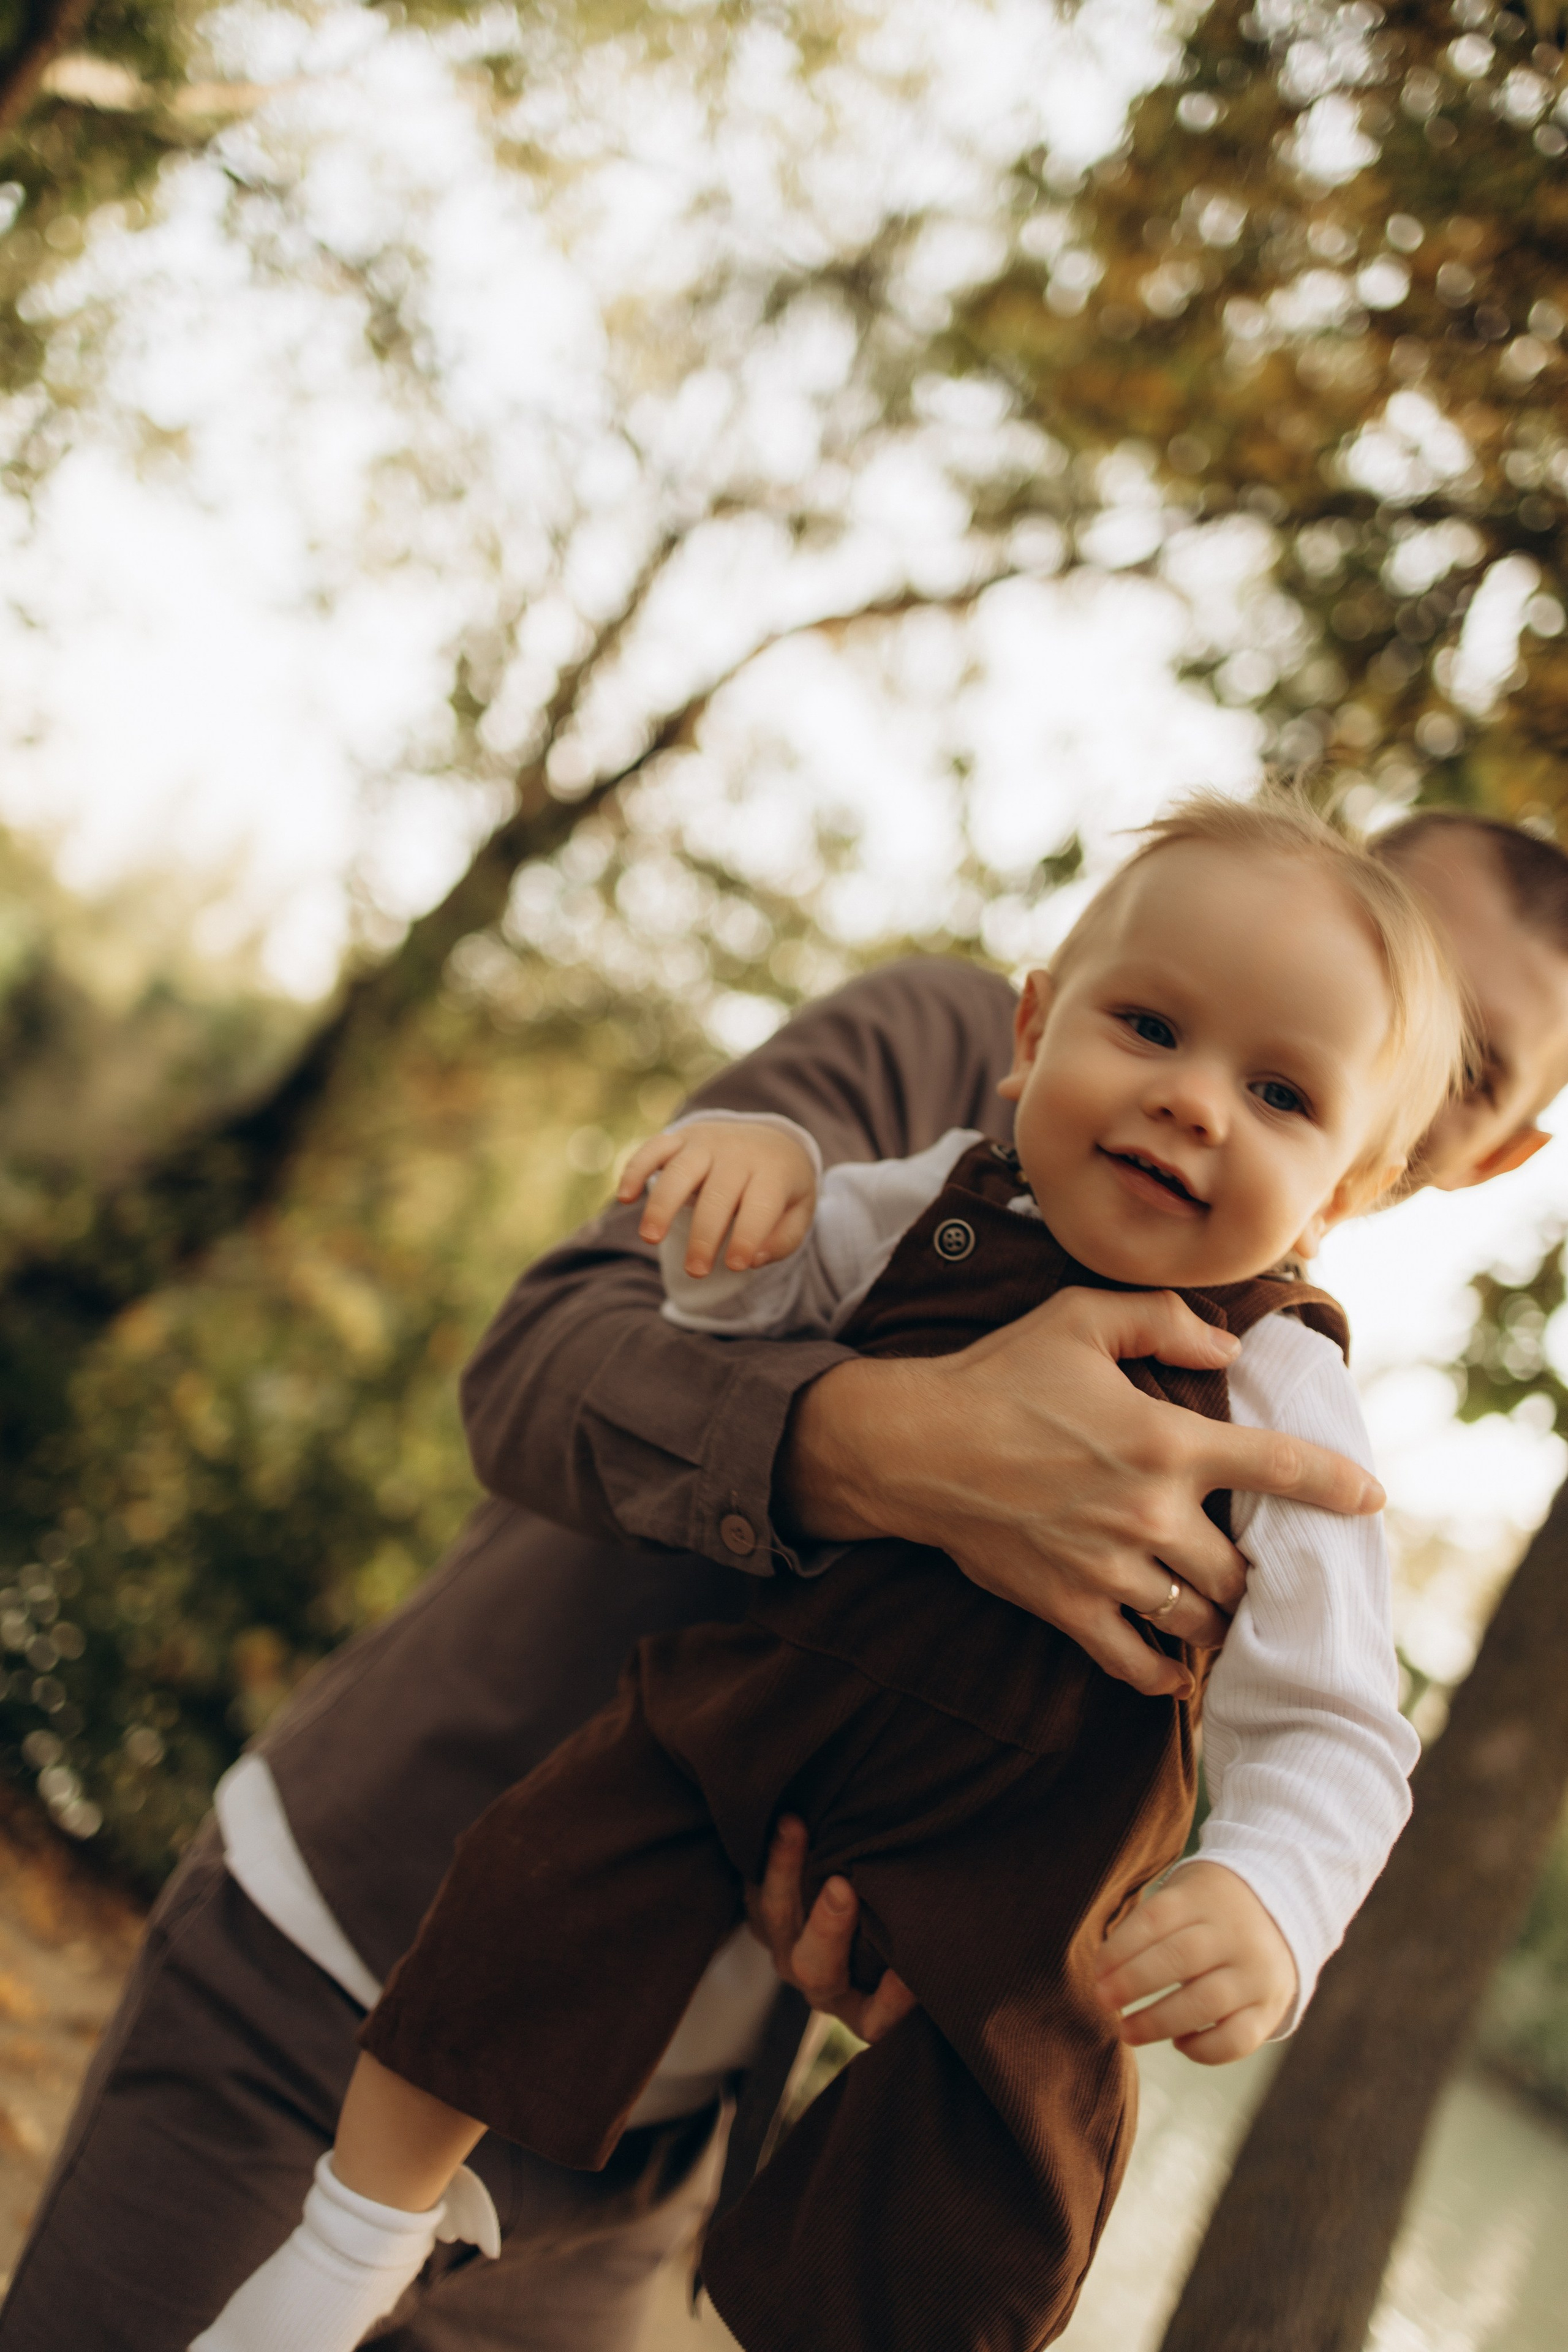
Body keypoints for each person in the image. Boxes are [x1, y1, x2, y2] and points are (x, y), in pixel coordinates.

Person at [1, 809, 1562, 2352]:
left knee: (1008, 2176)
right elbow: (560, 1354)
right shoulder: (950, 1092)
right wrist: (868, 1386)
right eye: (1153, 1023)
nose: (1198, 1099)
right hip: (360, 1956)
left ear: (1444, 1142)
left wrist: (1190, 1899)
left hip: (655, 2142)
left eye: (1440, 1066)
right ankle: (352, 2229)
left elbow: (1325, 1726)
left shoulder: (1292, 1403)